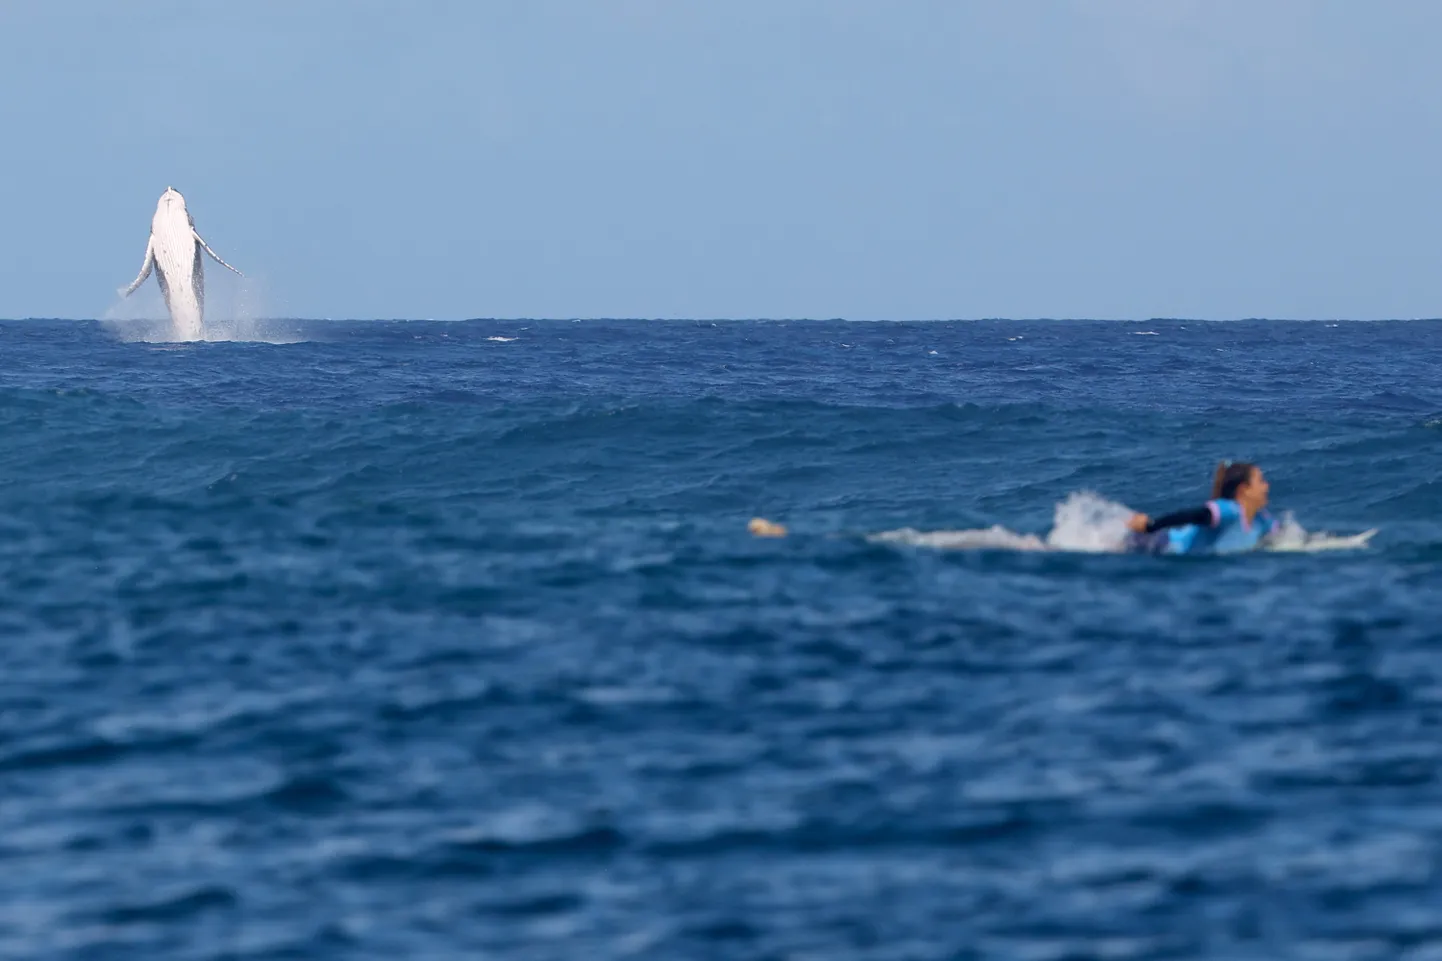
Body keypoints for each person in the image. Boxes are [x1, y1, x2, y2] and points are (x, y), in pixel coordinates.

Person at [1124, 461, 1277, 555]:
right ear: (1244, 489)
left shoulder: (1262, 519)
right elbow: (1193, 515)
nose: (1267, 486)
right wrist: (1150, 526)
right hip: (1163, 544)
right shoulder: (1230, 510)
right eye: (1261, 481)